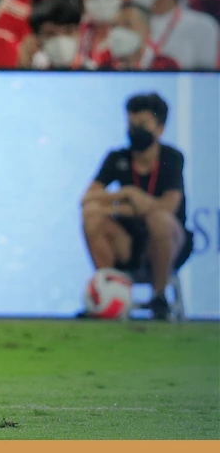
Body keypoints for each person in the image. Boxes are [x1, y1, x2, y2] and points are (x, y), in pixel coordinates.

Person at [80, 93, 192, 321]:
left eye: (142, 126)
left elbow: (168, 207)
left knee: (158, 220)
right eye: (131, 125)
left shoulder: (172, 158)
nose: (134, 131)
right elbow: (88, 199)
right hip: (129, 240)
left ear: (159, 129)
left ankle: (159, 298)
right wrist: (128, 195)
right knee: (91, 216)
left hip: (168, 242)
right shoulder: (117, 158)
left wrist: (124, 201)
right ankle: (107, 293)